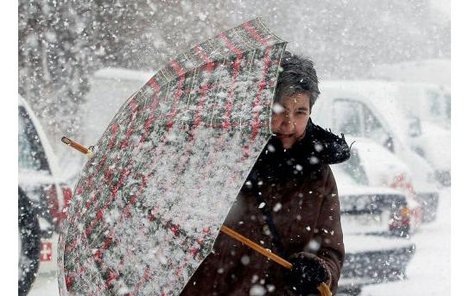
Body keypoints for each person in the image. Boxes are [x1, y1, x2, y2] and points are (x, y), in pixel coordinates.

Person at [180, 51, 350, 295]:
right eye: (279, 110)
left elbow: (330, 250)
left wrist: (318, 270)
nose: (289, 123)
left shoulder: (317, 174)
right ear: (260, 109)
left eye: (300, 112)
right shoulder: (220, 164)